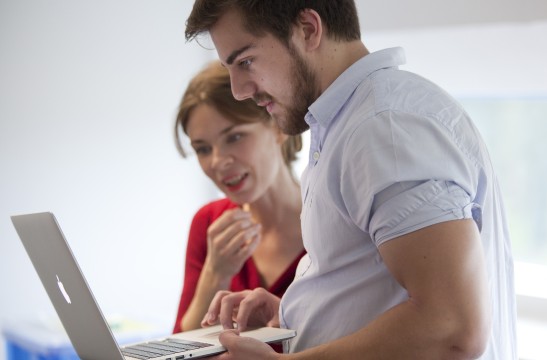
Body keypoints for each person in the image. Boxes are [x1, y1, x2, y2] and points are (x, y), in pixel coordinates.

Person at [185, 1, 517, 359]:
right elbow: (383, 291)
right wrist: (296, 311)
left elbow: (450, 328)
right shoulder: (348, 124)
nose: (239, 90)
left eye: (245, 61)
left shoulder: (384, 128)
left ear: (309, 29)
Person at [172, 60, 306, 336]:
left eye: (234, 137)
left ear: (278, 127)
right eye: (203, 148)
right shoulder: (208, 222)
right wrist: (215, 274)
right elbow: (179, 345)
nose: (218, 162)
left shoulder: (333, 219)